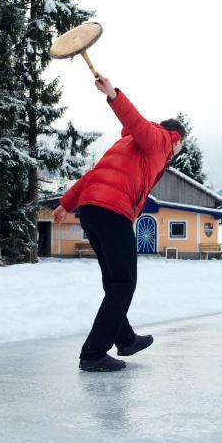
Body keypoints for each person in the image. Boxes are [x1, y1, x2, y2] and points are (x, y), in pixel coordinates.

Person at [52, 75, 185, 372]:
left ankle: (124, 338)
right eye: (181, 148)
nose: (177, 155)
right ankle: (93, 352)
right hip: (112, 211)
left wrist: (65, 203)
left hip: (92, 209)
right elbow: (136, 121)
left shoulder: (126, 145)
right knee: (124, 283)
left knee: (114, 281)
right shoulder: (161, 140)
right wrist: (114, 95)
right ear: (178, 139)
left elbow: (92, 176)